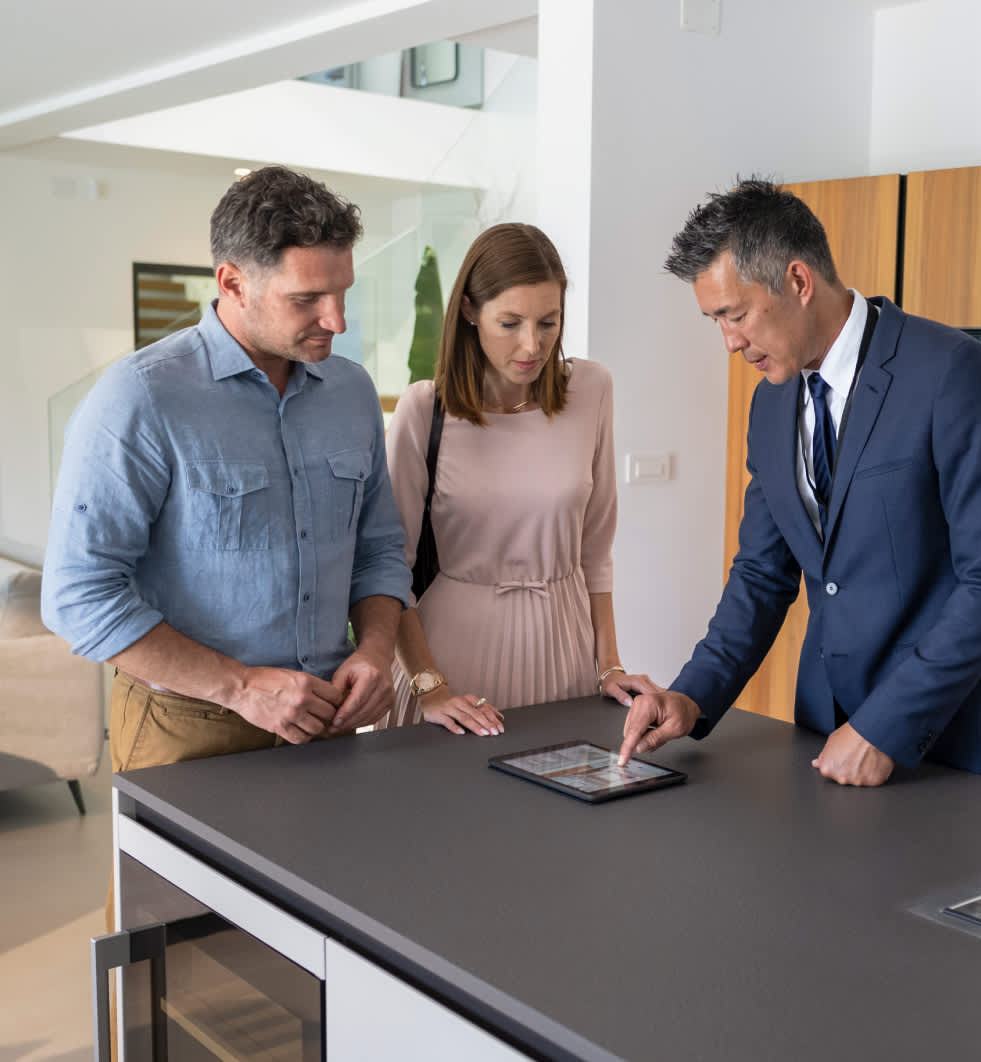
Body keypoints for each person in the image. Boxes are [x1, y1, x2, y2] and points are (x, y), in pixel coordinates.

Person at [618, 178, 981, 785]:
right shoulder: (770, 404)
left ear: (797, 280)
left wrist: (883, 727)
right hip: (824, 736)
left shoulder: (953, 372)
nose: (729, 342)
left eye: (735, 315)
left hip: (948, 745)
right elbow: (763, 576)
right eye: (715, 320)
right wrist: (691, 696)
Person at [42, 165, 409, 801]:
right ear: (232, 283)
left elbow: (377, 548)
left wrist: (376, 650)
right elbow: (77, 595)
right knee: (178, 907)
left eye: (343, 292)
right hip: (189, 728)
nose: (338, 320)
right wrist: (239, 687)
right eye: (307, 300)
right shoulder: (141, 399)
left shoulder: (351, 393)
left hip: (327, 723)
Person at [379, 223, 635, 734]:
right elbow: (390, 570)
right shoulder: (423, 409)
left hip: (564, 650)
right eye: (510, 322)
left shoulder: (591, 389)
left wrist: (610, 665)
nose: (532, 344)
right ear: (470, 311)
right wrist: (429, 685)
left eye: (548, 322)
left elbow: (595, 554)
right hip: (451, 660)